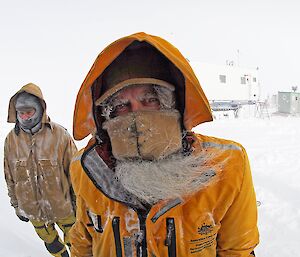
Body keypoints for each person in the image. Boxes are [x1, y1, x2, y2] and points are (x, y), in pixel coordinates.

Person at [69, 32, 259, 257]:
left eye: (151, 100)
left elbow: (237, 250)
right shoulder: (87, 168)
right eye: (121, 106)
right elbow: (83, 242)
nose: (136, 117)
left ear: (175, 104)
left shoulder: (226, 166)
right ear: (105, 118)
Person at [4, 83, 77, 257]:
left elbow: (75, 173)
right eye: (21, 112)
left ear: (40, 109)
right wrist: (17, 205)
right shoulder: (11, 140)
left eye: (29, 112)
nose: (25, 117)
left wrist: (79, 204)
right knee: (51, 244)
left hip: (63, 208)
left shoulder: (60, 136)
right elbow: (10, 176)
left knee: (77, 243)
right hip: (33, 210)